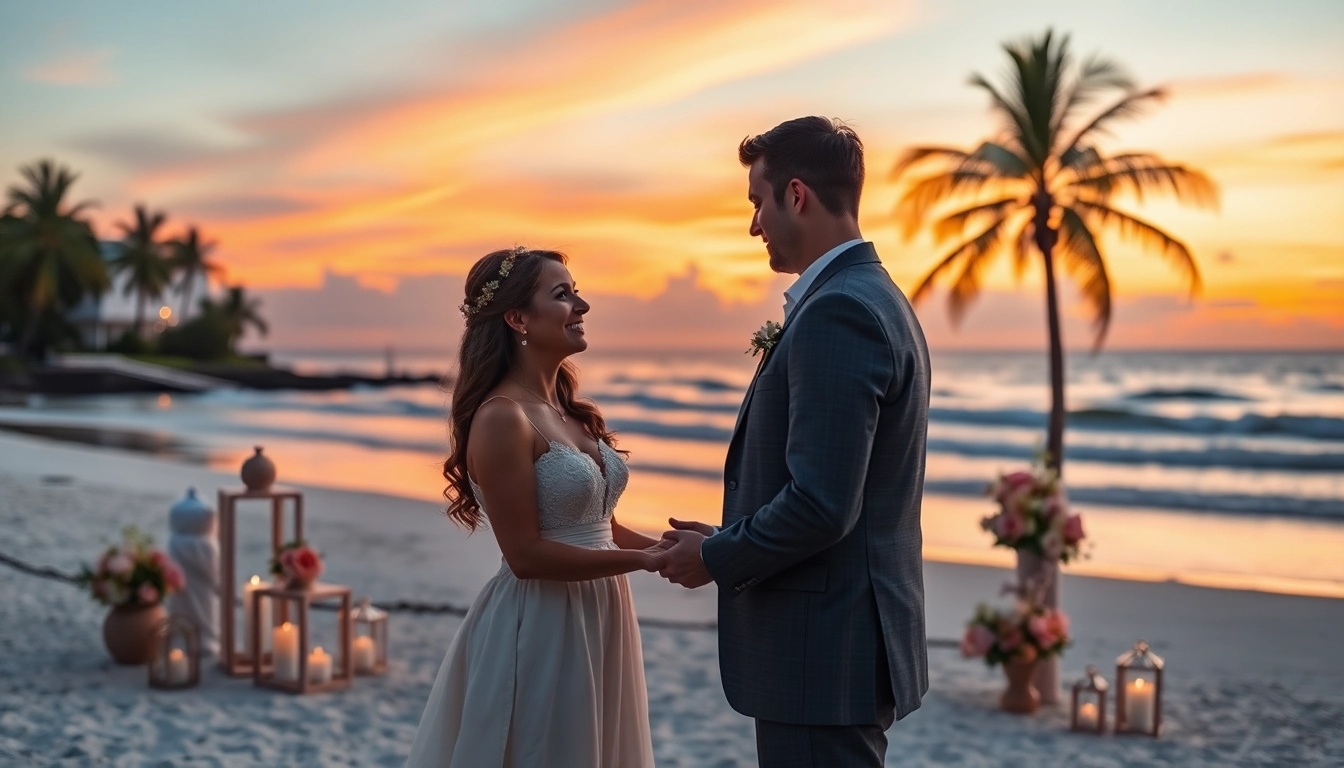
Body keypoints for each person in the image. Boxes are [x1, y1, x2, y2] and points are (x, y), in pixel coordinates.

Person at [654, 116, 932, 767]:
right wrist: (726, 535)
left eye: (758, 201)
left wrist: (717, 558)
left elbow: (822, 504)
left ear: (797, 195)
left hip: (823, 652)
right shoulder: (877, 295)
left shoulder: (840, 310)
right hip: (840, 644)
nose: (754, 224)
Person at [404, 247, 660, 768]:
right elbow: (526, 555)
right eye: (563, 295)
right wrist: (646, 562)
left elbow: (599, 528)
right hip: (544, 618)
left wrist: (670, 547)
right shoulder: (502, 418)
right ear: (517, 318)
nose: (582, 305)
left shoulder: (569, 414)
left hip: (602, 611)